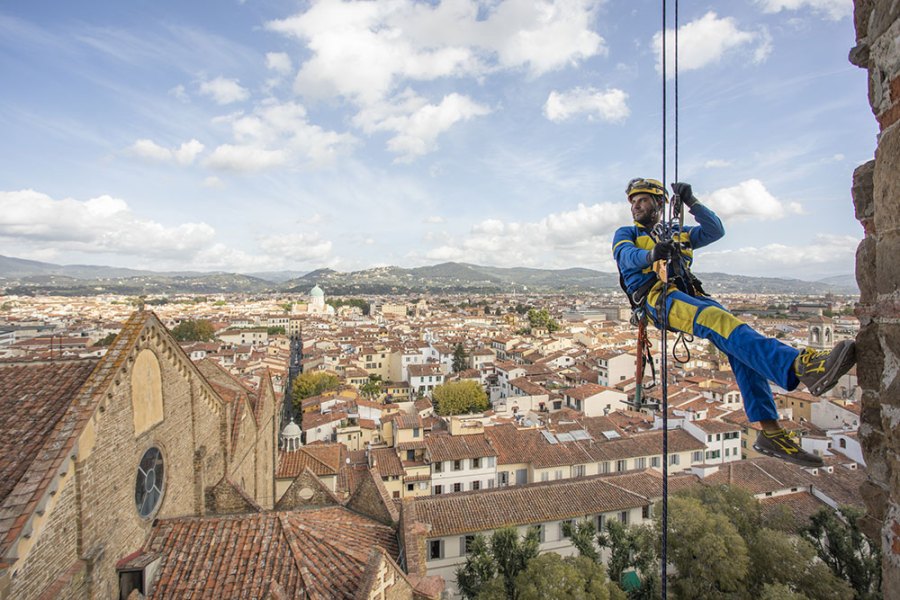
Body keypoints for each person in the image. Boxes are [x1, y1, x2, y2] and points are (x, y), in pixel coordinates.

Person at [612, 178, 856, 467]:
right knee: (719, 321)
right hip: (658, 299)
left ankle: (770, 431)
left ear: (659, 203)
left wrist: (692, 202)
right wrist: (652, 254)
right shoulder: (627, 232)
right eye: (633, 202)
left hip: (691, 296)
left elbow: (715, 230)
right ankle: (800, 365)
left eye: (642, 200)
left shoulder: (678, 232)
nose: (635, 206)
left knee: (739, 342)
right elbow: (625, 256)